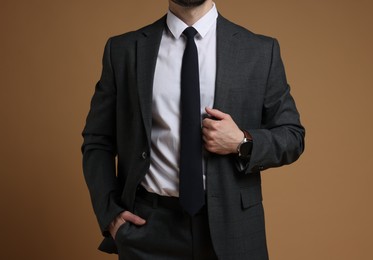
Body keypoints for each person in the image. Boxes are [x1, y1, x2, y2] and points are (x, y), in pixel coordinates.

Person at [81, 0, 305, 259]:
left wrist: (242, 142)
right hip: (148, 230)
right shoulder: (124, 50)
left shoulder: (259, 51)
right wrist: (111, 213)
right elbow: (98, 140)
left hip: (235, 229)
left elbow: (292, 136)